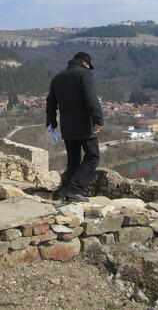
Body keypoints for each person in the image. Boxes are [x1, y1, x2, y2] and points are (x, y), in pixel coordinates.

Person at [46, 52, 104, 202]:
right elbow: (91, 98)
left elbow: (51, 103)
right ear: (85, 63)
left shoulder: (57, 78)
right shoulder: (84, 74)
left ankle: (66, 192)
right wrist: (98, 119)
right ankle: (74, 189)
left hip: (67, 126)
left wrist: (52, 122)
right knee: (92, 156)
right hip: (84, 125)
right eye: (88, 66)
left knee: (73, 160)